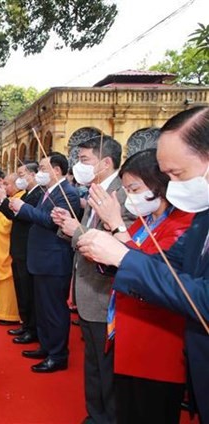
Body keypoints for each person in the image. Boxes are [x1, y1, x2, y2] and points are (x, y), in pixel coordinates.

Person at [77, 106, 209, 423]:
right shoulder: (203, 215)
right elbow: (166, 265)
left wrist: (121, 250)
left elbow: (201, 296)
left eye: (177, 174)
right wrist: (111, 257)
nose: (173, 185)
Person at [87, 149, 193, 424]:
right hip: (128, 334)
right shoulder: (145, 224)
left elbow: (154, 273)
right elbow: (119, 262)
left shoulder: (183, 224)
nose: (129, 198)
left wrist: (116, 226)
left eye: (134, 189)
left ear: (160, 184)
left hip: (157, 342)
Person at [53, 135, 134, 424]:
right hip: (86, 290)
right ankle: (95, 414)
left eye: (85, 160)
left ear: (106, 162)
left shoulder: (121, 195)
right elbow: (84, 236)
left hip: (105, 295)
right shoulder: (97, 190)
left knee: (106, 365)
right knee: (93, 363)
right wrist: (68, 226)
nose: (79, 165)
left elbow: (116, 247)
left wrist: (76, 230)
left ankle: (108, 417)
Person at [9, 152, 81, 373]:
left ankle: (58, 354)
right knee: (43, 307)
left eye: (42, 168)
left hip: (54, 260)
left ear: (56, 170)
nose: (38, 173)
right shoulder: (48, 191)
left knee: (54, 309)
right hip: (41, 259)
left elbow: (52, 222)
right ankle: (47, 346)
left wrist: (24, 209)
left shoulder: (67, 194)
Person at [0, 162, 42, 344]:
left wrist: (3, 200)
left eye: (22, 175)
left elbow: (23, 216)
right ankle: (26, 324)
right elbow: (14, 215)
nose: (20, 179)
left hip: (27, 249)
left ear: (33, 175)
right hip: (19, 249)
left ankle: (32, 327)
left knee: (28, 292)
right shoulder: (29, 194)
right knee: (21, 290)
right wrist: (3, 202)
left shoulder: (39, 194)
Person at [0, 172, 21, 325]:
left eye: (7, 184)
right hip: (0, 248)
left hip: (8, 248)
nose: (5, 187)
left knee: (9, 282)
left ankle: (10, 314)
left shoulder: (19, 198)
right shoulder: (11, 199)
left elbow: (8, 224)